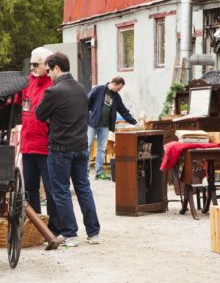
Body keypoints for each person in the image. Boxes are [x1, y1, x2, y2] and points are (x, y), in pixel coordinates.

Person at [35, 52, 100, 247]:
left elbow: (39, 115)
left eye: (49, 70)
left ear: (56, 68)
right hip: (81, 146)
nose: (48, 75)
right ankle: (93, 232)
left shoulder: (54, 91)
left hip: (60, 148)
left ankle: (70, 234)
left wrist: (52, 117)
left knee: (60, 191)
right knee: (83, 189)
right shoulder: (81, 88)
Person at [13, 47, 60, 236]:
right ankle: (35, 226)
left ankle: (54, 227)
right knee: (30, 189)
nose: (31, 67)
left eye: (36, 64)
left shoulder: (53, 85)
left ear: (47, 65)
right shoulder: (27, 83)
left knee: (51, 190)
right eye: (30, 63)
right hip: (28, 145)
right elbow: (15, 102)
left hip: (46, 146)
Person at [87, 77, 137, 180]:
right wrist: (87, 116)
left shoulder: (116, 97)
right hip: (92, 123)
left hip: (105, 126)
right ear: (114, 84)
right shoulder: (99, 89)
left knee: (101, 149)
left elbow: (123, 111)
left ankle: (99, 173)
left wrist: (134, 122)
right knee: (87, 147)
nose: (119, 91)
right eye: (118, 88)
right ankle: (84, 172)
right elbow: (86, 101)